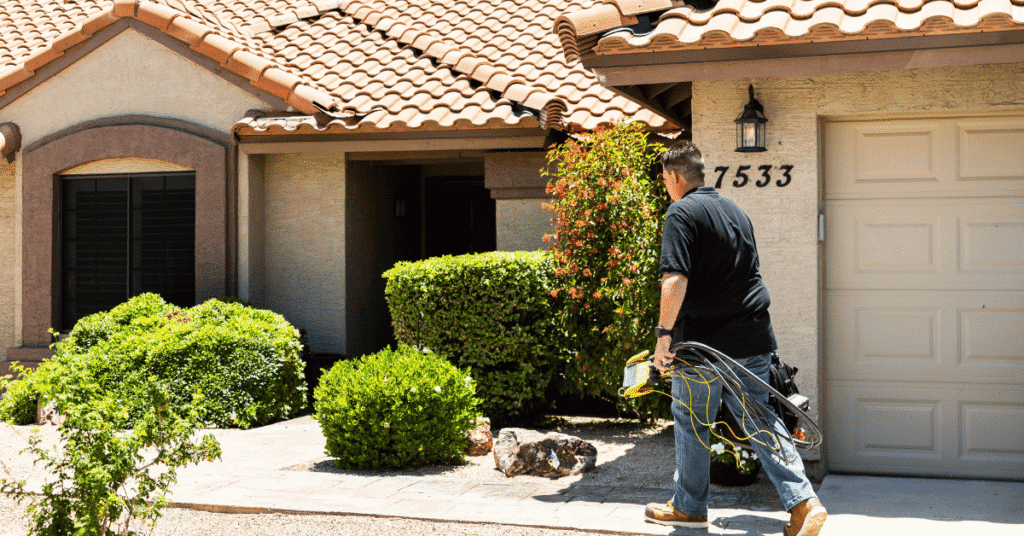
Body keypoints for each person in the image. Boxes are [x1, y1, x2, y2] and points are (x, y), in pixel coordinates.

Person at [644, 141, 827, 536]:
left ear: (674, 177)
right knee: (760, 419)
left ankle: (689, 507)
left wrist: (663, 338)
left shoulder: (680, 212)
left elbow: (675, 279)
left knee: (693, 421)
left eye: (664, 179)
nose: (665, 185)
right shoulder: (735, 211)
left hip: (704, 346)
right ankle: (804, 503)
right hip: (753, 336)